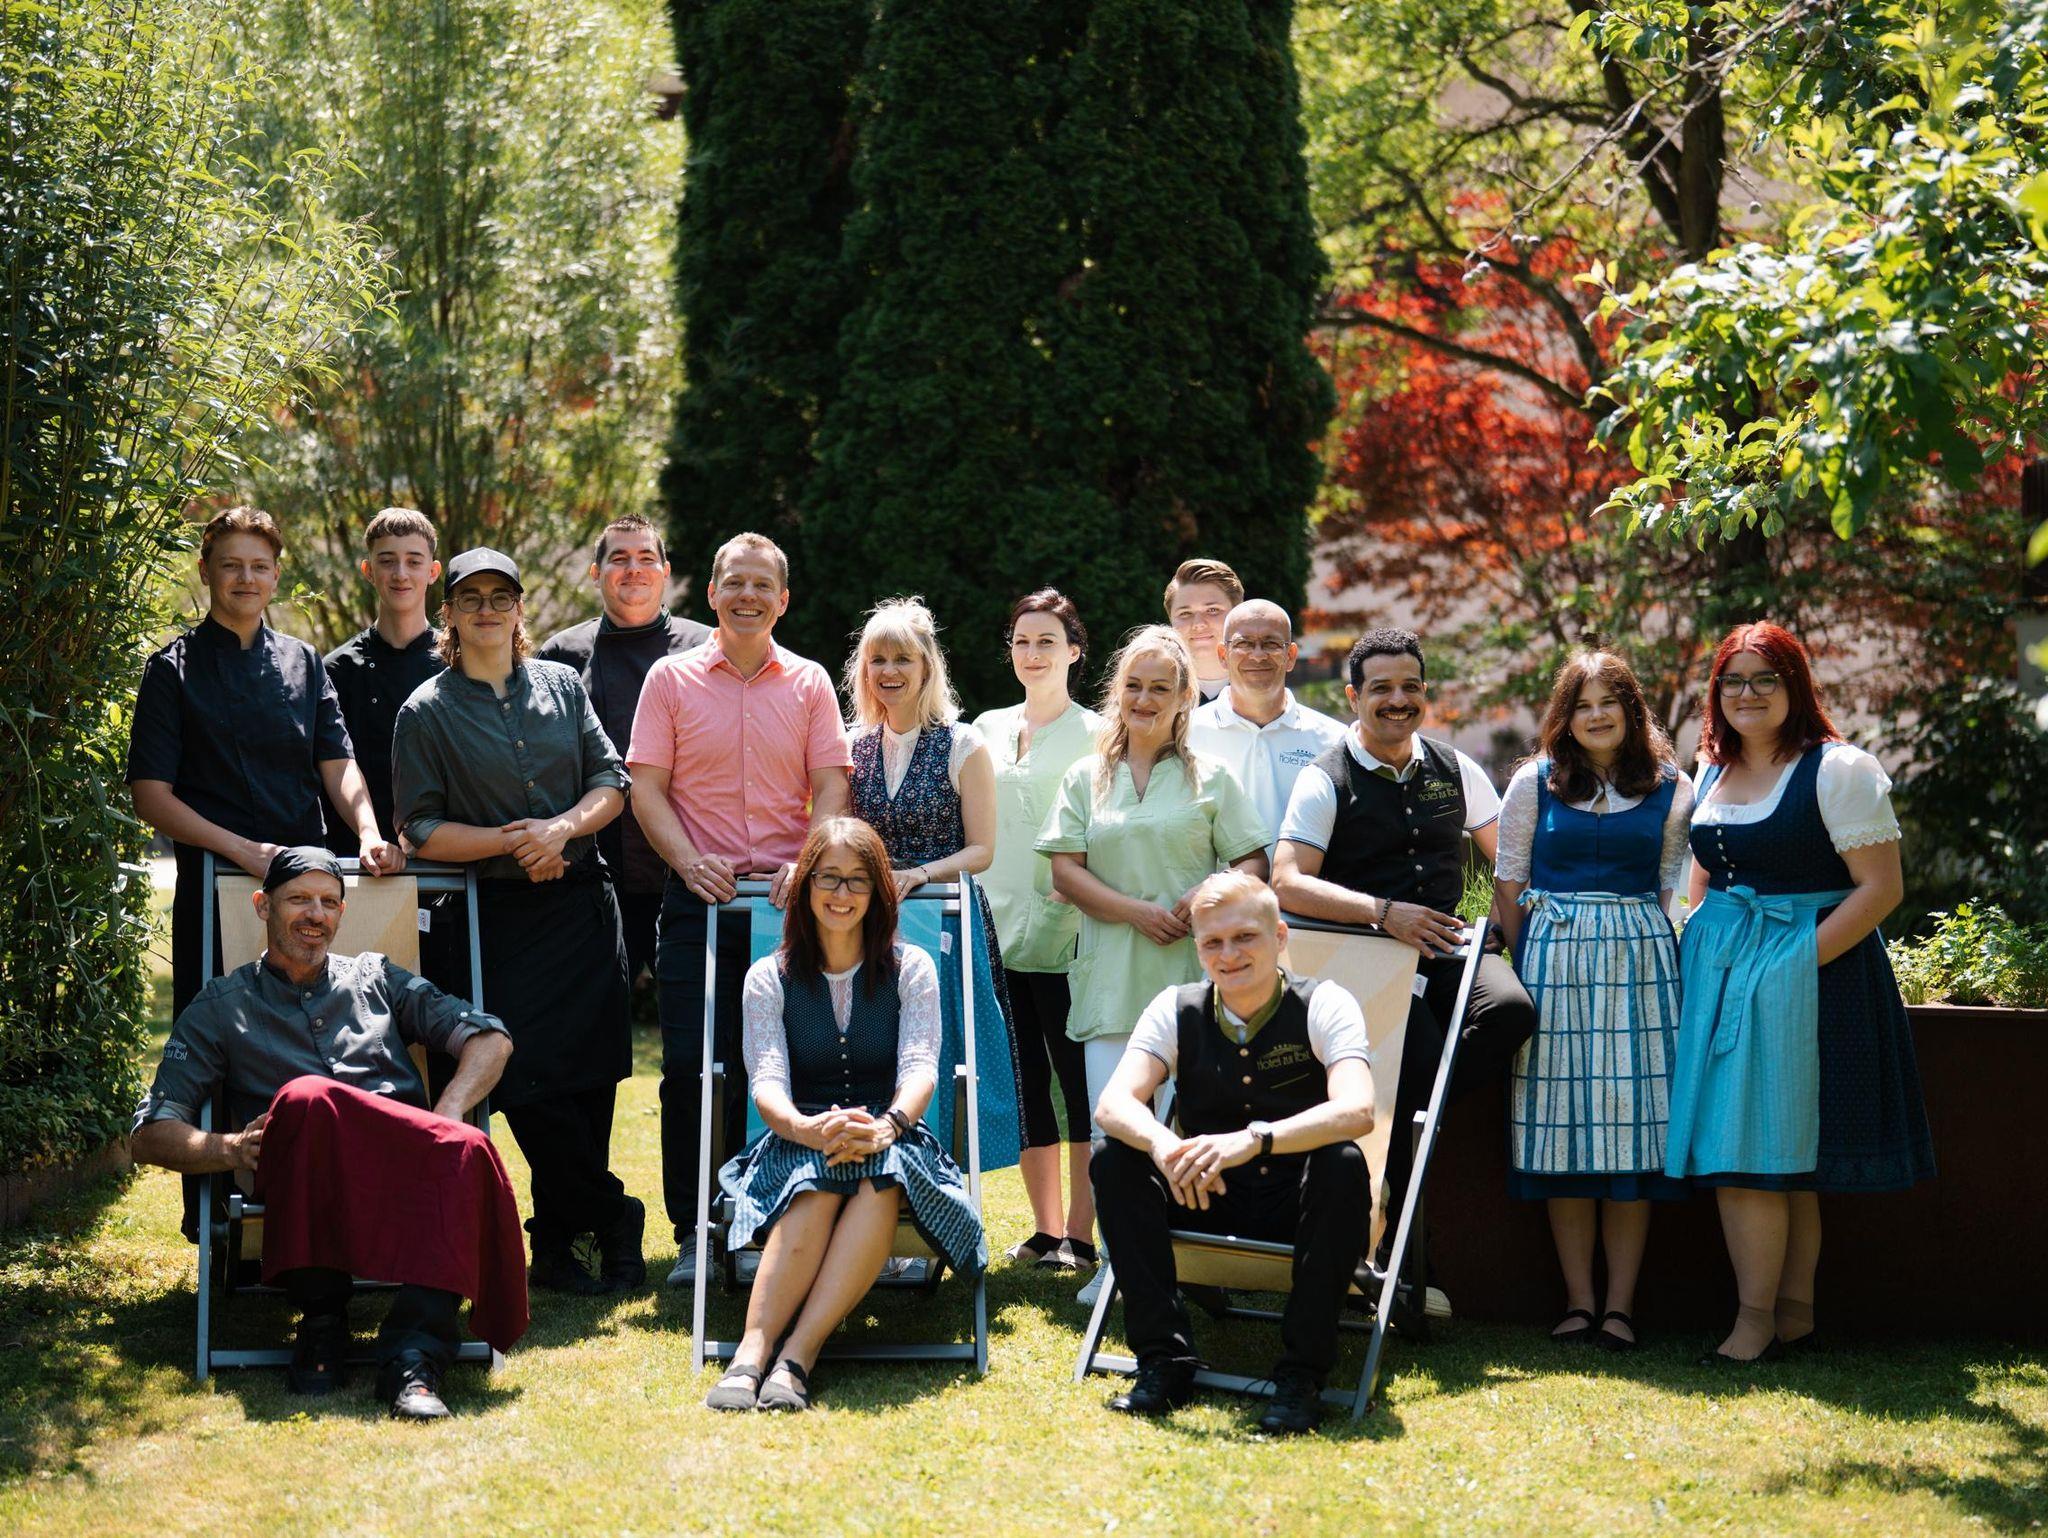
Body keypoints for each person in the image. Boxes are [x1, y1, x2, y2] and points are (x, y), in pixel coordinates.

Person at [129, 847, 523, 1421]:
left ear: (341, 913)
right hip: (303, 1167)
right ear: (262, 906)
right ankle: (322, 1323)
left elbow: (490, 1037)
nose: (315, 914)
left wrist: (450, 1110)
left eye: (328, 903)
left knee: (467, 1146)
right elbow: (149, 1133)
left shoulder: (377, 978)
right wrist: (230, 1148)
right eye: (298, 899)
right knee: (307, 1099)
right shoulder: (220, 1006)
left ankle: (414, 1358)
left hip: (399, 1163)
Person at [1664, 622, 1934, 1364]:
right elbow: (1705, 876)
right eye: (1733, 680)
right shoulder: (1711, 769)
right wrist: (1700, 939)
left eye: (1765, 679)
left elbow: (1881, 890)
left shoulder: (1838, 769)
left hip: (1814, 970)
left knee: (1762, 1151)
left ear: (1796, 686)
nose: (1747, 694)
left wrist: (1788, 964)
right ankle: (1787, 1317)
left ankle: (1761, 1322)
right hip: (1726, 967)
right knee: (1761, 1149)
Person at [392, 548, 641, 1297]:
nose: (487, 609)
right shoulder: (425, 712)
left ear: (519, 609)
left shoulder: (563, 685)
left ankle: (558, 1244)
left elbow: (612, 781)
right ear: (449, 614)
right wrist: (513, 842)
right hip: (494, 920)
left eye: (501, 596)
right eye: (471, 598)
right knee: (526, 1079)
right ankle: (615, 1215)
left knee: (588, 1079)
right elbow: (419, 829)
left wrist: (560, 829)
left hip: (583, 907)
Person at [1272, 627, 1535, 1292]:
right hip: (1367, 959)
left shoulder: (1456, 767)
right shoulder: (1325, 776)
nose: (1398, 700)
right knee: (1409, 1063)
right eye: (1381, 688)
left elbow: (1511, 860)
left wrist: (1499, 924)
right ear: (1352, 697)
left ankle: (1416, 1130)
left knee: (1510, 1012)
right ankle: (1400, 1257)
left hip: (1446, 949)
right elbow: (1288, 881)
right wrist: (1383, 912)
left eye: (1410, 687)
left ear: (1425, 693)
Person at [627, 531, 853, 1285]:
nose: (748, 596)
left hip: (791, 907)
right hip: (700, 899)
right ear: (712, 593)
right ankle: (697, 1231)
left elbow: (831, 785)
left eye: (762, 585)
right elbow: (646, 788)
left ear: (782, 600)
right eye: (735, 583)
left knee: (788, 1066)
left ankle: (775, 1220)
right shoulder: (669, 679)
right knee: (694, 1068)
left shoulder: (811, 682)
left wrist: (809, 859)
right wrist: (686, 861)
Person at [704, 819, 985, 1413]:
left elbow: (920, 1067)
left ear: (878, 890)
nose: (842, 893)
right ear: (805, 885)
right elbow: (768, 1080)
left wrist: (887, 1126)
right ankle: (751, 1353)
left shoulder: (912, 968)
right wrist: (804, 1129)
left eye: (859, 880)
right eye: (828, 877)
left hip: (895, 1133)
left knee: (879, 1179)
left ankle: (796, 1357)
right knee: (814, 1181)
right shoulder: (768, 978)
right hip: (797, 1132)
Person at [1090, 873, 1374, 1434]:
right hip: (1204, 1197)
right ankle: (1164, 1360)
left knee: (1342, 1162)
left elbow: (1358, 1109)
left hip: (1297, 1205)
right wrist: (1165, 1145)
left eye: (1245, 937)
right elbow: (1112, 1103)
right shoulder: (1175, 1007)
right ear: (1197, 949)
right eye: (1213, 943)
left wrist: (1255, 1139)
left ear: (1280, 936)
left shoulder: (1324, 1002)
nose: (1229, 955)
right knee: (1113, 1157)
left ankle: (1302, 1377)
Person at [1038, 625, 1270, 1304]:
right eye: (1133, 686)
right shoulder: (1086, 777)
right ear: (1117, 693)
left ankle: (1197, 1261)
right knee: (1114, 1125)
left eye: (1159, 689)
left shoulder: (1211, 777)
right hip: (1111, 977)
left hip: (1193, 981)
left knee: (1192, 1124)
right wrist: (1134, 912)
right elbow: (1063, 872)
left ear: (1183, 698)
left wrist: (1203, 896)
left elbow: (1252, 861)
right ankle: (1119, 1264)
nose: (1144, 699)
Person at [1492, 652, 1694, 1351]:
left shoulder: (1672, 787)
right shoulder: (1534, 782)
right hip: (1554, 962)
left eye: (1610, 701)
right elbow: (1509, 883)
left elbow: (1671, 886)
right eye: (1582, 704)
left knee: (1632, 1133)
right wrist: (1529, 964)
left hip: (1641, 963)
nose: (1597, 715)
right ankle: (1579, 1302)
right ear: (1564, 716)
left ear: (1633, 710)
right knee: (1563, 1132)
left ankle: (1620, 1308)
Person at [128, 506, 402, 1017]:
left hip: (306, 887)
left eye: (259, 566)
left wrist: (368, 832)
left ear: (276, 575)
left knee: (313, 1031)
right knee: (218, 1037)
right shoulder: (170, 670)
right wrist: (245, 852)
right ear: (205, 571)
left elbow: (338, 764)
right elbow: (150, 797)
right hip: (214, 887)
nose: (246, 578)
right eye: (231, 565)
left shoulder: (305, 661)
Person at [843, 598, 1025, 1172]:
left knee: (942, 1046)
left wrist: (918, 874)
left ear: (927, 667)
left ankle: (941, 1177)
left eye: (902, 658)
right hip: (869, 920)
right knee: (875, 1042)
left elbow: (982, 850)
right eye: (878, 659)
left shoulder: (963, 744)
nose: (889, 671)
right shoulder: (851, 746)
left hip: (945, 915)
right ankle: (877, 1173)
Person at [971, 590, 1102, 1268]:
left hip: (1070, 933)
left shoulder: (1100, 734)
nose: (1033, 653)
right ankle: (1046, 1230)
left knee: (1079, 1084)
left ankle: (1081, 1234)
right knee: (1023, 1084)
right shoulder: (985, 728)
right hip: (994, 932)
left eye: (1047, 640)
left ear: (1074, 650)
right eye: (1022, 641)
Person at [537, 515, 711, 992]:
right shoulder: (561, 655)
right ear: (596, 573)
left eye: (646, 558)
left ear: (665, 571)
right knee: (593, 1013)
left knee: (696, 1010)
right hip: (591, 872)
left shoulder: (704, 647)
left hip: (690, 868)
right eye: (619, 559)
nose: (634, 569)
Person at [323, 508, 446, 861]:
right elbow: (335, 766)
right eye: (387, 561)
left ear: (433, 571)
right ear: (368, 570)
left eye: (413, 561)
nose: (400, 574)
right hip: (357, 858)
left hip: (446, 861)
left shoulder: (459, 664)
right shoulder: (336, 670)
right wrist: (370, 837)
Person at [1187, 599, 1347, 854]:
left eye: (1271, 644)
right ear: (1223, 655)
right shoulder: (1185, 734)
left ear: (1290, 656)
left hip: (1305, 881)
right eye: (1244, 643)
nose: (1258, 655)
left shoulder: (1334, 741)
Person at [1163, 557, 1243, 703]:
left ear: (1237, 615)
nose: (1198, 624)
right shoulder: (1150, 697)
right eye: (1185, 613)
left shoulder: (1270, 694)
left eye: (1212, 610)